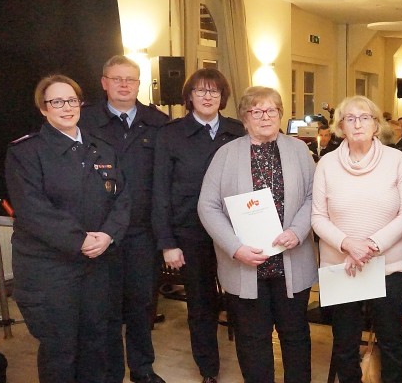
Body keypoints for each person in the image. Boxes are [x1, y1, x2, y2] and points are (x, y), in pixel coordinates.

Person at [5, 75, 130, 383]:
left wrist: (108, 235)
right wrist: (81, 240)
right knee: (60, 350)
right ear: (43, 109)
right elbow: (34, 211)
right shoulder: (25, 153)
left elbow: (123, 198)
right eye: (56, 101)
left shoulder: (102, 148)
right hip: (50, 271)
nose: (66, 107)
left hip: (97, 266)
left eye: (72, 100)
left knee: (96, 344)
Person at [197, 86, 317, 382]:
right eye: (256, 111)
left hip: (291, 260)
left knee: (295, 336)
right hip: (244, 264)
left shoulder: (299, 150)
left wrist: (298, 231)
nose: (265, 116)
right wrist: (235, 247)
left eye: (271, 110)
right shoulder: (226, 154)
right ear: (244, 117)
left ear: (280, 114)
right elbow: (207, 206)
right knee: (252, 340)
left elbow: (315, 197)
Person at [79, 55, 169, 383]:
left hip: (142, 231)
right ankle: (111, 372)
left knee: (142, 304)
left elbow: (163, 180)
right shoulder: (84, 121)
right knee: (106, 309)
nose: (124, 85)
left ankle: (143, 370)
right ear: (104, 82)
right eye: (117, 79)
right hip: (99, 231)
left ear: (139, 83)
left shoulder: (158, 122)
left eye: (130, 79)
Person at [312, 95, 402, 383]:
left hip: (388, 266)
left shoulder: (397, 160)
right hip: (341, 266)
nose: (357, 124)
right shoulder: (326, 164)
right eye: (350, 118)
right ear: (340, 126)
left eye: (365, 117)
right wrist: (348, 244)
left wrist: (371, 246)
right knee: (344, 343)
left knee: (391, 340)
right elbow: (317, 217)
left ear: (376, 125)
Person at [152, 69, 245, 383]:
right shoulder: (170, 134)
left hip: (236, 232)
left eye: (214, 91)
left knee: (242, 301)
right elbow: (160, 191)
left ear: (223, 97)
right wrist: (167, 242)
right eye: (201, 91)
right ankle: (209, 370)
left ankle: (252, 364)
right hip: (190, 233)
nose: (208, 97)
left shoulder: (238, 130)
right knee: (202, 306)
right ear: (189, 96)